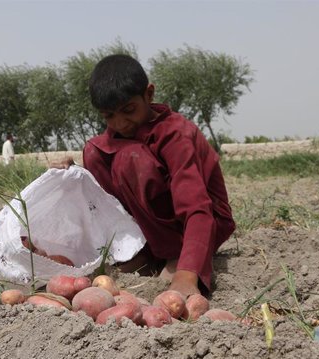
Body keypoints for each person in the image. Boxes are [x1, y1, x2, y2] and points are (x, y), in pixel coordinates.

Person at [81, 54, 236, 298]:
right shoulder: (119, 134)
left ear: (149, 94)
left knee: (128, 159)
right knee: (94, 152)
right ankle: (139, 250)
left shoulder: (175, 135)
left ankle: (175, 255)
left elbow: (197, 207)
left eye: (128, 110)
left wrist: (187, 275)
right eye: (109, 116)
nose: (120, 123)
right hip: (154, 228)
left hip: (203, 222)